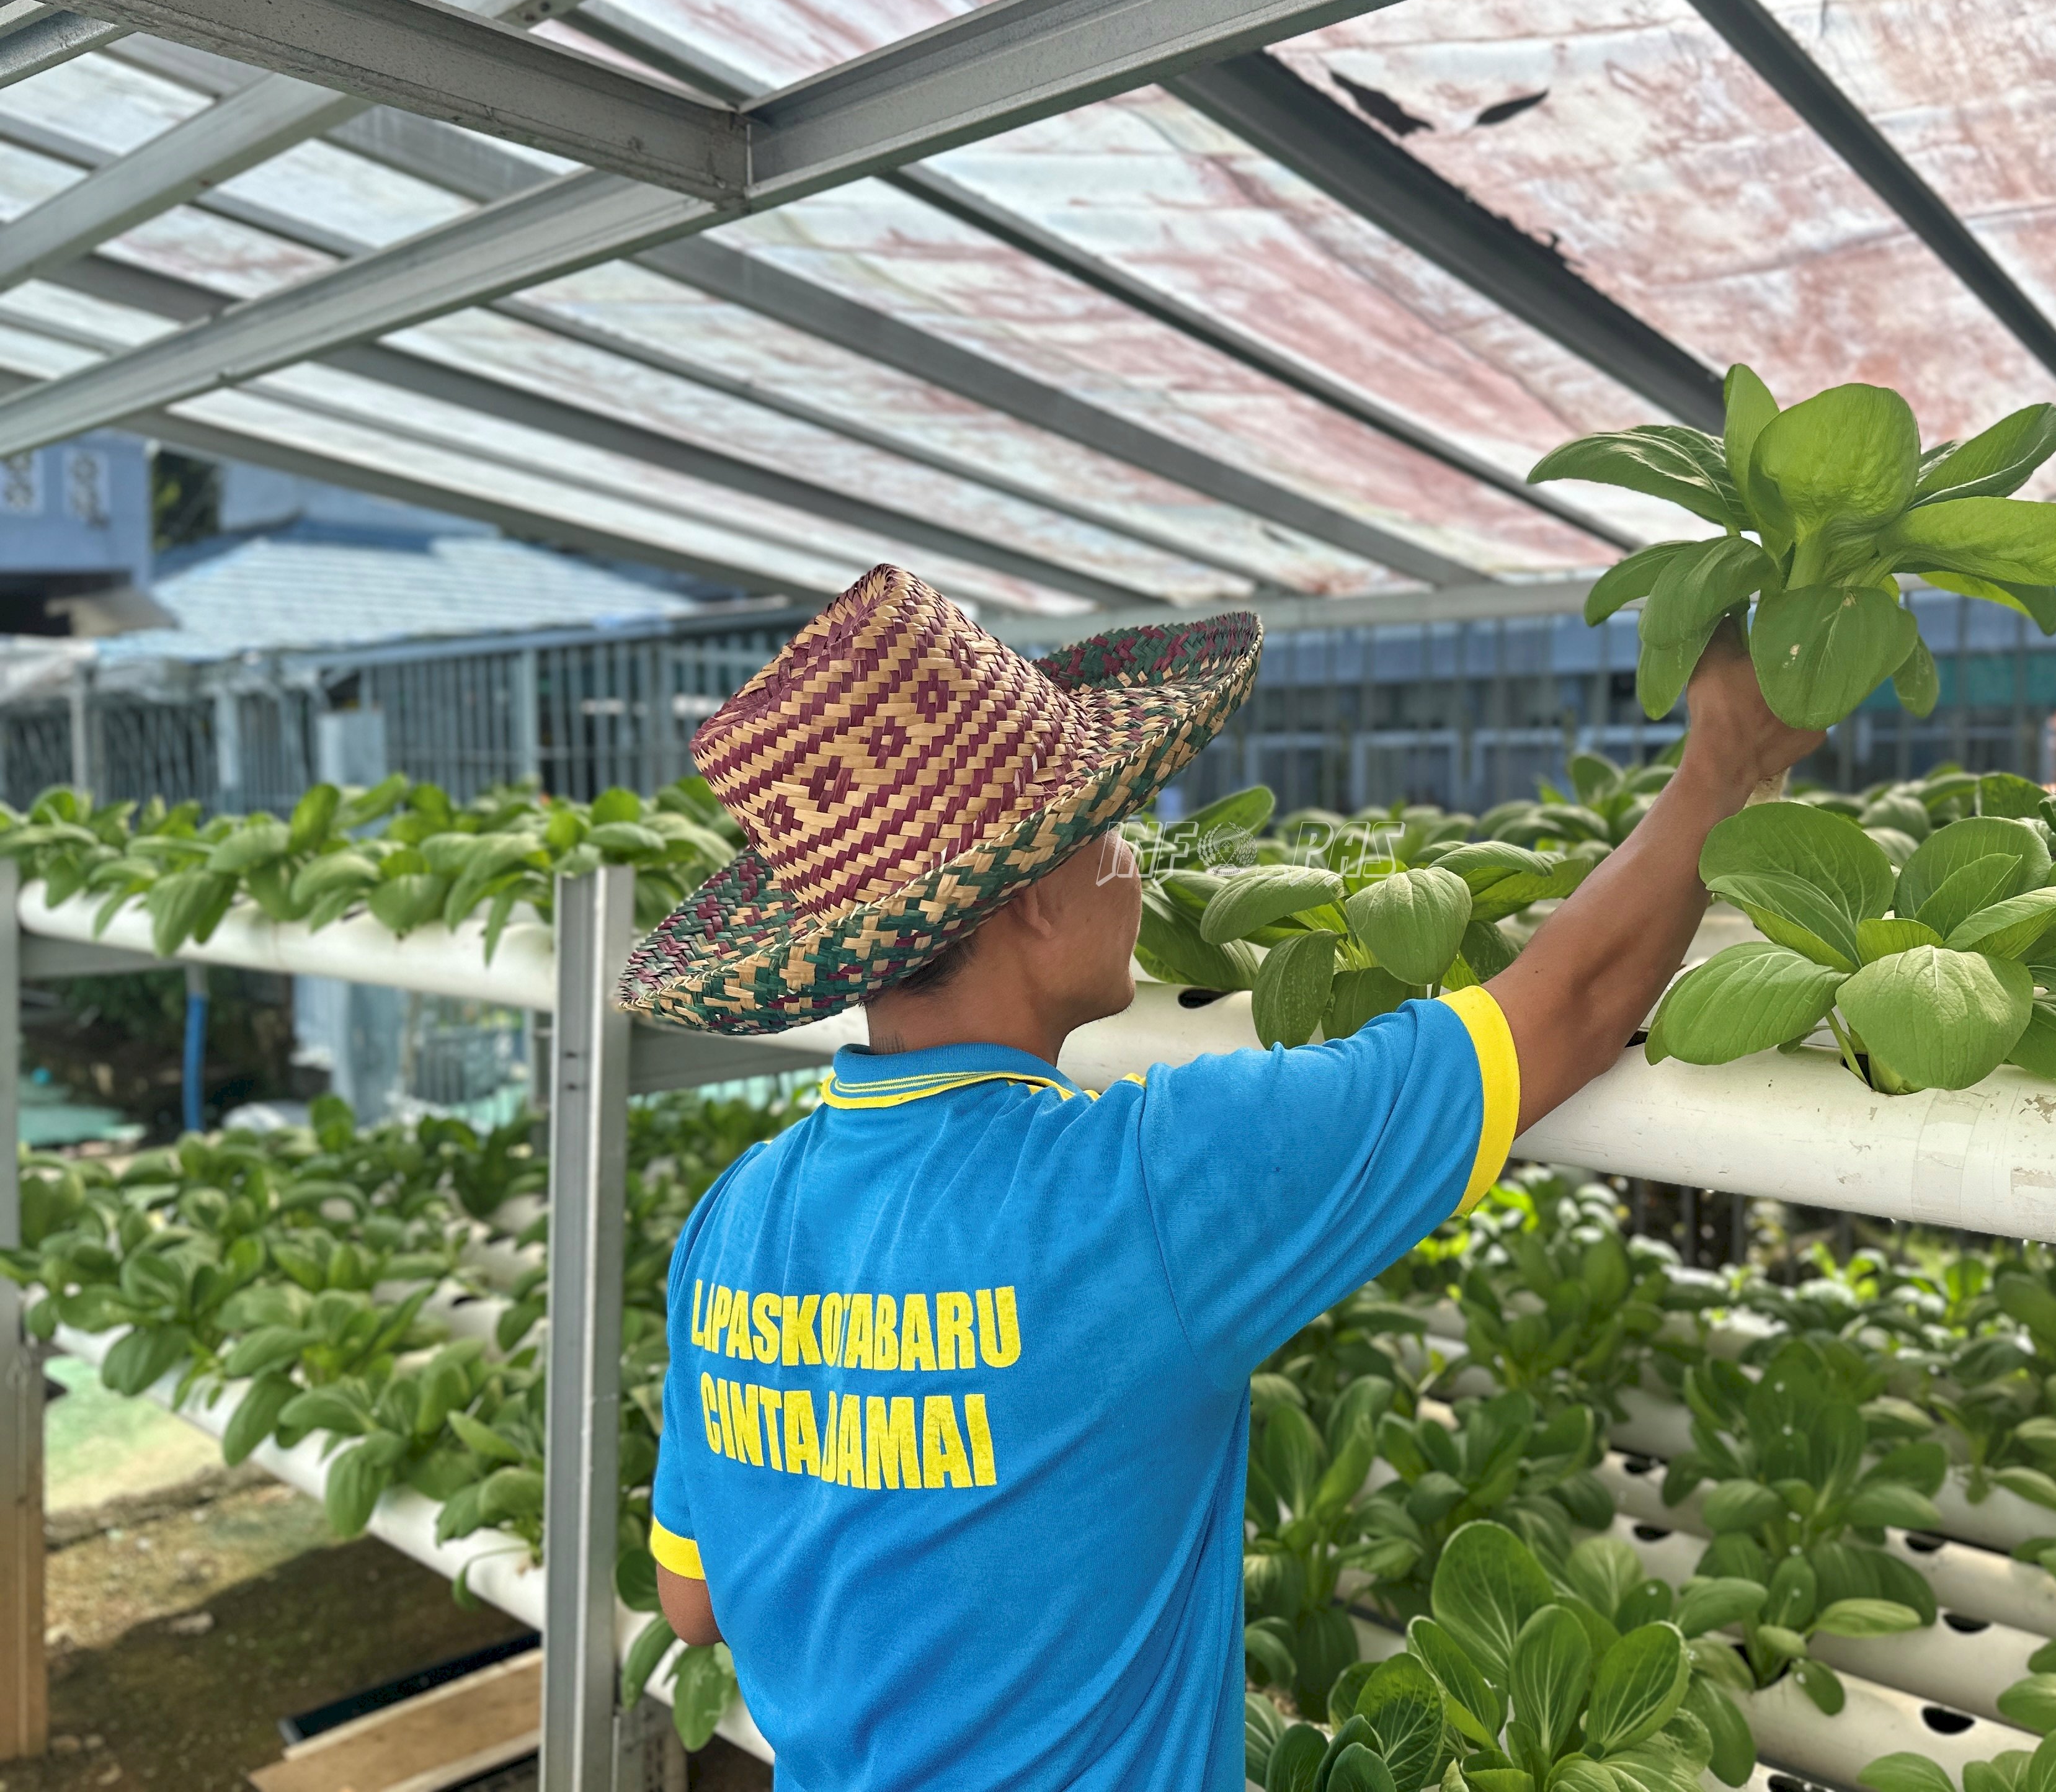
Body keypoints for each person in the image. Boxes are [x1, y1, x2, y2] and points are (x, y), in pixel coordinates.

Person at [621, 564, 1822, 1791]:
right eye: (1109, 826)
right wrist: (1724, 762)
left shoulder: (736, 1216)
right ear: (1030, 899)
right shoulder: (1152, 1182)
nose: (1134, 856)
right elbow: (1569, 1006)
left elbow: (693, 1601)